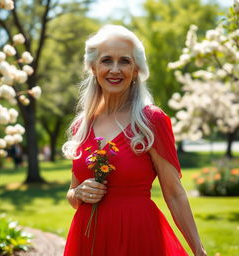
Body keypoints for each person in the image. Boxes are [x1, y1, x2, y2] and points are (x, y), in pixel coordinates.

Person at [62, 25, 207, 256]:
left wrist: (199, 250)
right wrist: (79, 193)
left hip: (137, 236)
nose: (115, 69)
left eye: (125, 61)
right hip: (88, 241)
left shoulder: (151, 121)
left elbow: (175, 193)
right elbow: (72, 193)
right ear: (93, 67)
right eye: (107, 60)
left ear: (136, 69)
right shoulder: (83, 125)